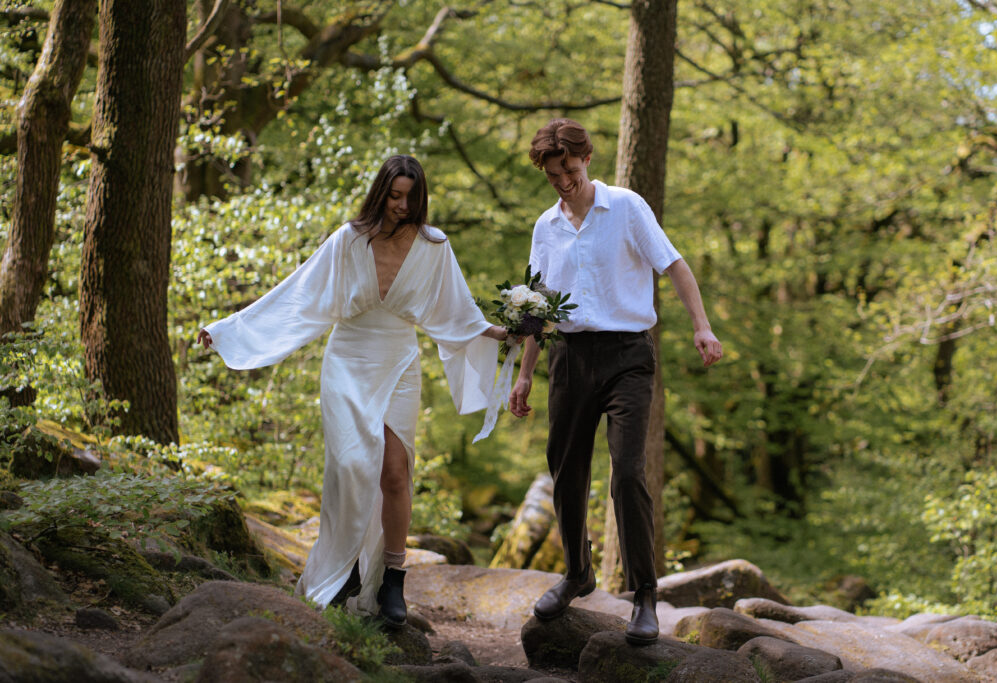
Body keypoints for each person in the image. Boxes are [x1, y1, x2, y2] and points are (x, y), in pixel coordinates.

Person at [198, 155, 509, 627]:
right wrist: (228, 330)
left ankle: (392, 579)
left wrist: (508, 331)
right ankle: (342, 571)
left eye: (410, 196)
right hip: (347, 359)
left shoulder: (434, 246)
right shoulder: (350, 239)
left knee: (395, 471)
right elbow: (299, 294)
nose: (401, 205)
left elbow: (457, 312)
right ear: (381, 190)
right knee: (349, 464)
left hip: (399, 360)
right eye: (394, 194)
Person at [509, 119, 723, 646]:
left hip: (628, 354)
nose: (564, 181)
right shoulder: (546, 227)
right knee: (566, 470)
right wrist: (525, 375)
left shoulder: (625, 206)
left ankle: (644, 595)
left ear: (588, 160)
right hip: (570, 357)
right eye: (553, 173)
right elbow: (536, 308)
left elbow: (674, 265)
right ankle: (577, 573)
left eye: (571, 169)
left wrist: (702, 325)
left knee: (628, 471)